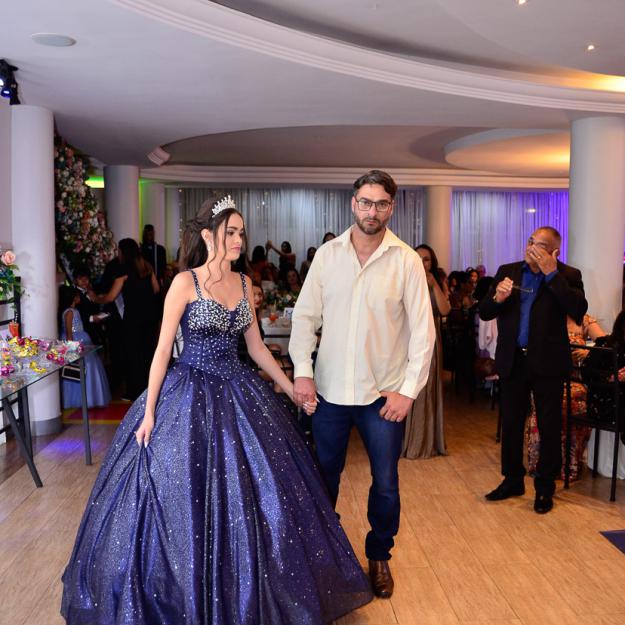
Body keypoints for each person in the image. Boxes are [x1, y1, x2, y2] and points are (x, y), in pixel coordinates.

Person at [61, 197, 372, 625]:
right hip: (188, 392)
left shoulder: (243, 283)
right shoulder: (184, 283)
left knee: (260, 490)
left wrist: (291, 389)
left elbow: (256, 348)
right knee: (183, 493)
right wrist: (149, 412)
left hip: (239, 390)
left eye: (241, 232)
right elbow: (162, 352)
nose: (239, 240)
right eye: (231, 232)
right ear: (208, 236)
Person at [289, 169, 435, 598]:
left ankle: (379, 555)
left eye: (381, 204)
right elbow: (304, 317)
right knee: (323, 479)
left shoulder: (406, 261)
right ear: (354, 204)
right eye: (366, 202)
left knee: (385, 483)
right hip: (330, 392)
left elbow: (423, 333)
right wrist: (302, 371)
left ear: (392, 208)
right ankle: (323, 555)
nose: (373, 211)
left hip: (381, 396)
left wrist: (408, 391)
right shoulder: (327, 256)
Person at [479, 226, 587, 514]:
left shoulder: (568, 275)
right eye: (530, 241)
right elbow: (485, 311)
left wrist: (552, 275)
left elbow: (577, 309)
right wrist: (498, 298)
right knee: (512, 423)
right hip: (513, 359)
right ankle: (512, 480)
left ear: (554, 251)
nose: (531, 247)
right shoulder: (509, 271)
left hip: (548, 362)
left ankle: (544, 488)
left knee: (549, 426)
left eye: (539, 245)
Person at [525, 314, 606, 481]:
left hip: (574, 381)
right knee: (545, 400)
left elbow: (606, 344)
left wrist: (588, 353)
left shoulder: (584, 320)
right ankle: (543, 464)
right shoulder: (545, 316)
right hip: (547, 379)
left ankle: (569, 464)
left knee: (574, 400)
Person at [89, 238, 160, 401]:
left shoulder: (123, 270)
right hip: (150, 316)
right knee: (147, 352)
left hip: (133, 317)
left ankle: (135, 392)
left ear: (123, 252)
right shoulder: (146, 266)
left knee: (133, 354)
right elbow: (156, 289)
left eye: (118, 251)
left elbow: (110, 297)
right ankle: (150, 389)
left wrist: (95, 298)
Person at [402, 244, 451, 459]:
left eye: (427, 259)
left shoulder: (437, 281)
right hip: (407, 340)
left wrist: (434, 285)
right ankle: (405, 440)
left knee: (427, 387)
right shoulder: (405, 278)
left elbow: (445, 310)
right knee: (407, 387)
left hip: (431, 341)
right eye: (419, 258)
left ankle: (425, 441)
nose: (423, 263)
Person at [58, 285, 111, 409]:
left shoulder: (73, 311)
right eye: (77, 296)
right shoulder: (70, 312)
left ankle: (88, 397)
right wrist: (72, 349)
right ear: (73, 298)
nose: (79, 297)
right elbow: (69, 332)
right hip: (76, 340)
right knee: (84, 366)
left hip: (81, 338)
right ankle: (86, 397)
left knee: (88, 365)